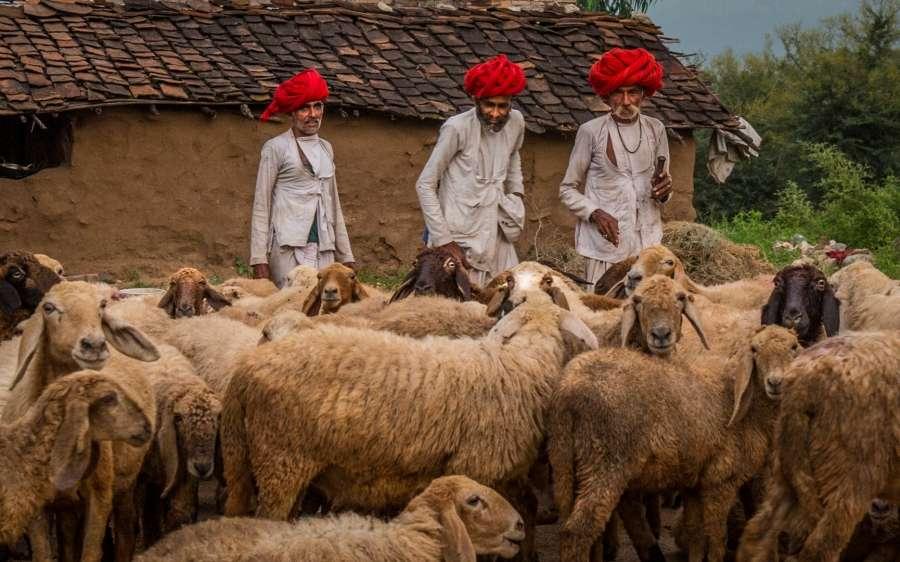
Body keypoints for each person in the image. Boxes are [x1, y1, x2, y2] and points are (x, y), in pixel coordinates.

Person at [559, 48, 673, 284]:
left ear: (644, 94)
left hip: (648, 246)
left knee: (647, 302)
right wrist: (595, 213)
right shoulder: (591, 132)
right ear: (606, 96)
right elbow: (567, 189)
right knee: (603, 303)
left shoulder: (656, 130)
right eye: (618, 93)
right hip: (606, 248)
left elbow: (663, 189)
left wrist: (664, 192)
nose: (626, 101)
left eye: (633, 92)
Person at [415, 54, 527, 286]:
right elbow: (425, 184)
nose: (495, 114)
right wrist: (444, 240)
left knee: (507, 293)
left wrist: (516, 195)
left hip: (498, 227)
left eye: (502, 106)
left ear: (511, 103)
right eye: (489, 105)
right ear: (476, 100)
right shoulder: (456, 128)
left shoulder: (516, 122)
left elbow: (514, 155)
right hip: (460, 235)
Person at [250, 68, 355, 288]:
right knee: (290, 301)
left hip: (324, 245)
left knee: (323, 302)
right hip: (287, 245)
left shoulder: (326, 148)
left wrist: (346, 255)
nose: (313, 114)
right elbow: (262, 203)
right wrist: (259, 259)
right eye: (304, 108)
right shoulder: (276, 148)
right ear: (292, 113)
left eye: (318, 106)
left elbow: (333, 203)